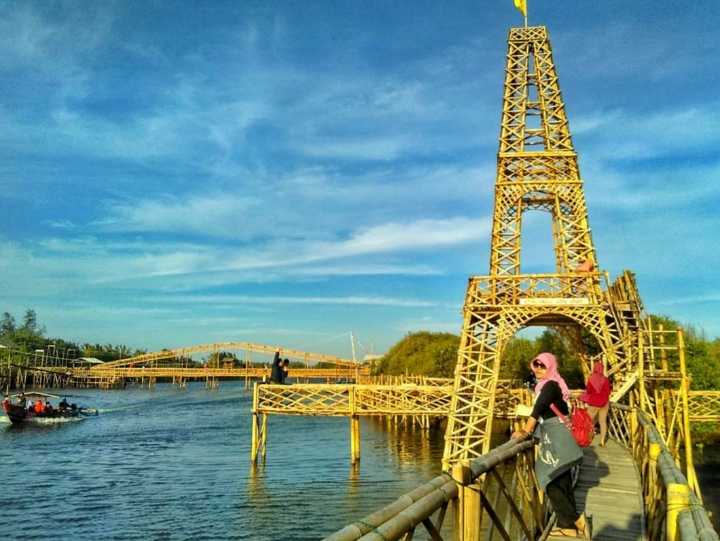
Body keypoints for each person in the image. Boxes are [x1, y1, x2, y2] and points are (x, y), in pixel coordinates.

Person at [512, 352, 588, 538]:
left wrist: (526, 432)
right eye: (535, 364)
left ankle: (573, 520)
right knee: (561, 480)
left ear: (551, 367)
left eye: (542, 365)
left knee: (548, 478)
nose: (537, 369)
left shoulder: (550, 385)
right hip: (557, 437)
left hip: (557, 438)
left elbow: (538, 410)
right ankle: (569, 524)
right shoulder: (553, 384)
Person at [580, 361, 611, 447]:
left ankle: (587, 438)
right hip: (604, 403)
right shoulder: (606, 379)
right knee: (602, 422)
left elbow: (588, 391)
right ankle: (602, 441)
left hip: (593, 402)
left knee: (589, 421)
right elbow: (608, 391)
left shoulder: (591, 378)